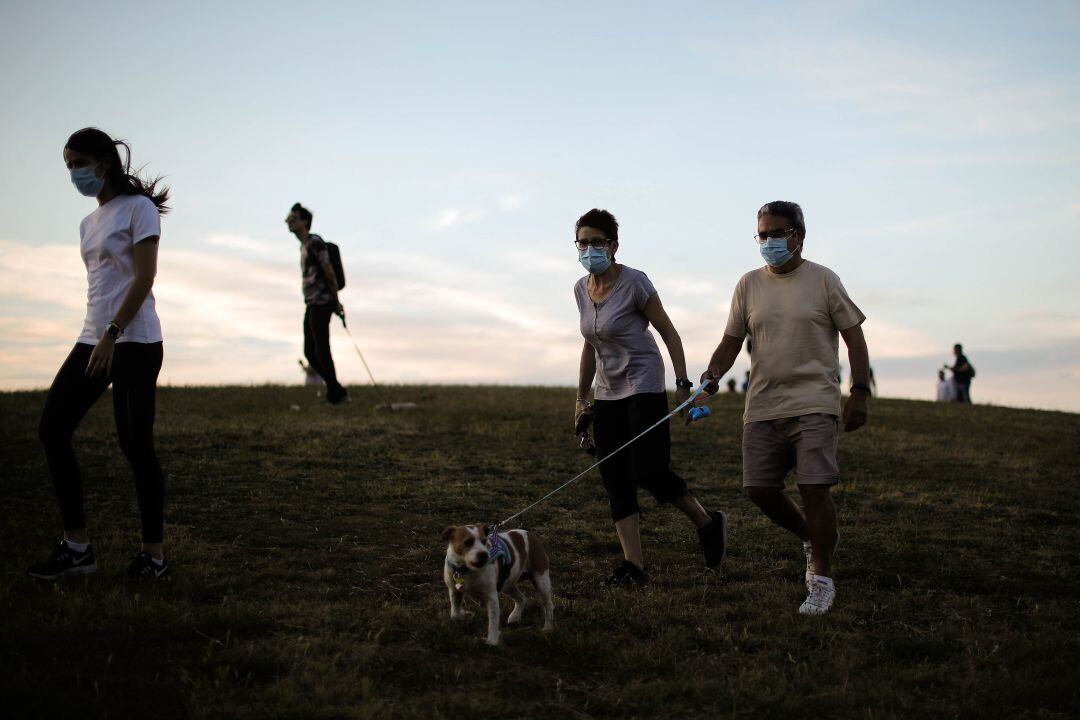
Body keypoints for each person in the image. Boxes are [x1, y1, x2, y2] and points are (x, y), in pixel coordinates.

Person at [698, 201, 870, 615]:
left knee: (814, 489)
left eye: (777, 233)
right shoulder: (747, 285)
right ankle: (813, 537)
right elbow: (730, 342)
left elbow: (855, 339)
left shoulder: (824, 280)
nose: (769, 242)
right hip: (762, 405)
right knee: (758, 490)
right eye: (763, 234)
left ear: (799, 236)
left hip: (814, 403)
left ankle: (822, 579)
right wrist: (710, 378)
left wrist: (860, 391)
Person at [28, 128, 171, 580]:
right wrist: (99, 334)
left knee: (135, 445)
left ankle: (154, 557)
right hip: (93, 338)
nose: (74, 173)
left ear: (104, 163)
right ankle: (78, 548)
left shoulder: (140, 209)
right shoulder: (88, 223)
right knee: (53, 428)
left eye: (79, 163)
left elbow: (144, 278)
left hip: (135, 340)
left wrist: (113, 332)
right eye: (68, 165)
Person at [572, 208, 727, 586]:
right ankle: (634, 567)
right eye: (582, 242)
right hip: (608, 393)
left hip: (643, 384)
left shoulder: (635, 282)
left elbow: (670, 334)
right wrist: (581, 400)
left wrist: (683, 384)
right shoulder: (580, 288)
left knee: (648, 470)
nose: (589, 249)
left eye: (597, 242)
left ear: (613, 245)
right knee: (614, 477)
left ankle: (707, 523)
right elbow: (589, 346)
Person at [286, 203, 348, 405]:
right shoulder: (303, 246)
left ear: (304, 222)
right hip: (312, 303)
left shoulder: (314, 243)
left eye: (293, 218)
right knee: (310, 351)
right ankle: (336, 389)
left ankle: (336, 394)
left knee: (321, 349)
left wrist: (336, 302)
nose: (288, 221)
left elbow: (329, 272)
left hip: (322, 302)